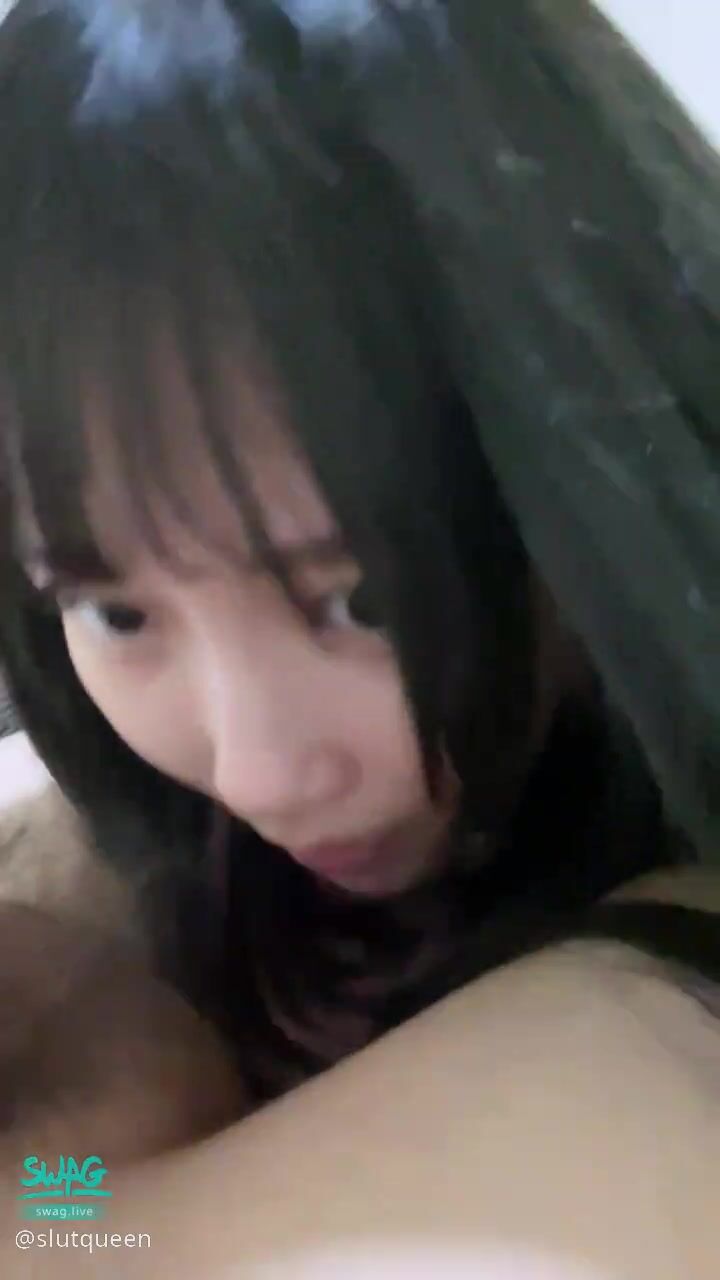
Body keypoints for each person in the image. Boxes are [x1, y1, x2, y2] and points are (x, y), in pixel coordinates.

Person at [0, 0, 718, 1274]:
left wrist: (119, 1072)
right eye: (118, 611)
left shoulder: (664, 1024)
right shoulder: (157, 851)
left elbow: (77, 1233)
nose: (258, 773)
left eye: (362, 601)